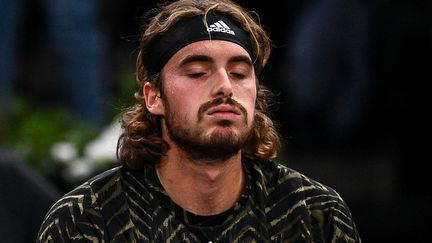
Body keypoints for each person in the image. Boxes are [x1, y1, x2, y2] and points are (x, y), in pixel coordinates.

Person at [37, 0, 361, 242]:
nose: (224, 86)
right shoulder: (87, 220)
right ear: (154, 98)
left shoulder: (314, 214)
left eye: (239, 73)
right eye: (197, 72)